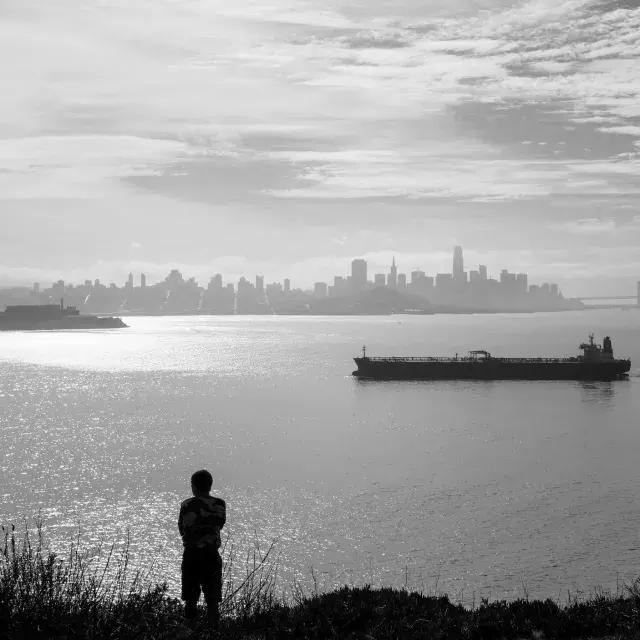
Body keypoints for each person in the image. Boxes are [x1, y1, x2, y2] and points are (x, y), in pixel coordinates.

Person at [178, 469, 226, 627]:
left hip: (192, 556)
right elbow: (219, 524)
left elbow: (182, 529)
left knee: (190, 600)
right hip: (211, 556)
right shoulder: (219, 504)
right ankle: (213, 632)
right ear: (210, 485)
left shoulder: (186, 505)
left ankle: (190, 631)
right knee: (212, 602)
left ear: (194, 486)